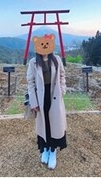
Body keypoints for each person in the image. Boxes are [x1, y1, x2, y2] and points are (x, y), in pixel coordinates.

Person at [26, 34, 67, 170]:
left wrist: (62, 90)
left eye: (47, 44)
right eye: (41, 44)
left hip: (54, 95)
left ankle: (53, 151)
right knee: (45, 124)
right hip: (40, 97)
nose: (44, 47)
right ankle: (45, 150)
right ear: (37, 46)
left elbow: (62, 75)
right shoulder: (33, 62)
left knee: (55, 124)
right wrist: (34, 101)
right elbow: (30, 82)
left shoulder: (56, 59)